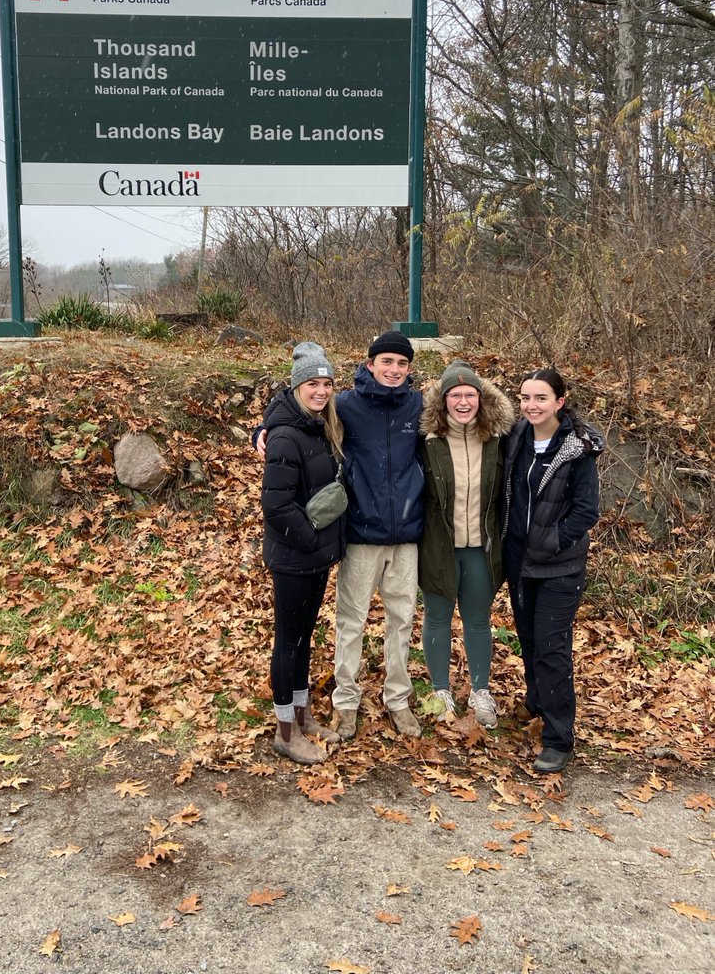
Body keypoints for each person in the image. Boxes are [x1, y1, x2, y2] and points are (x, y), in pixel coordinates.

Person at [259, 330, 425, 741]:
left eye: (402, 363)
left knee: (402, 622)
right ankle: (345, 703)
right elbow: (295, 412)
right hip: (360, 534)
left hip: (406, 535)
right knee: (350, 622)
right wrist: (261, 429)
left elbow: (464, 416)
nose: (394, 370)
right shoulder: (345, 405)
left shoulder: (418, 406)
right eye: (386, 361)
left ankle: (398, 700)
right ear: (370, 364)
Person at [501, 368, 605, 773]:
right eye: (525, 397)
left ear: (560, 402)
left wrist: (551, 540)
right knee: (528, 638)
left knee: (551, 646)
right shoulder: (517, 438)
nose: (531, 405)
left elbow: (586, 511)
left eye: (540, 398)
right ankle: (537, 700)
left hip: (559, 567)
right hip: (519, 562)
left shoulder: (577, 449)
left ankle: (559, 737)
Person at [261, 341, 346, 764]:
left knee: (303, 637)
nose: (321, 391)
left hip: (314, 557)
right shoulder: (285, 436)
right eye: (313, 383)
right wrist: (312, 542)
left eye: (327, 384)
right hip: (294, 557)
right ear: (297, 387)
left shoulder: (320, 427)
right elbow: (276, 506)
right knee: (287, 642)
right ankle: (285, 732)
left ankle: (302, 713)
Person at [418, 359, 514, 728]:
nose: (462, 402)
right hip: (440, 547)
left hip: (481, 550)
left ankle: (480, 690)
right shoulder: (427, 440)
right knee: (437, 617)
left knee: (477, 620)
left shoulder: (498, 440)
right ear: (442, 401)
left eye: (469, 395)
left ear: (480, 399)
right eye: (454, 395)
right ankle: (440, 690)